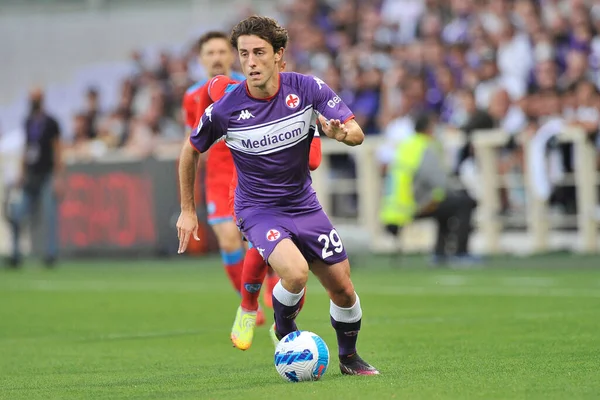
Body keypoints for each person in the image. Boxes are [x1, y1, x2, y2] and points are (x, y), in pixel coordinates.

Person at [177, 15, 379, 375]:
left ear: (279, 56)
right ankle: (283, 328)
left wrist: (339, 134)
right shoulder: (226, 108)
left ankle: (349, 358)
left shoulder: (307, 88)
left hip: (304, 205)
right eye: (244, 54)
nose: (251, 62)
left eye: (259, 52)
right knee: (295, 272)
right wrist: (187, 210)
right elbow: (190, 150)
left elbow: (356, 133)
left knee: (344, 290)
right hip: (257, 209)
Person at [181, 31, 250, 310]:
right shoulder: (192, 95)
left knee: (260, 242)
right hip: (218, 176)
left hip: (250, 173)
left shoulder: (248, 86)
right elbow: (191, 142)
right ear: (201, 59)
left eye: (222, 52)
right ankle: (247, 302)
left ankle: (266, 295)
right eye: (210, 53)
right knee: (229, 239)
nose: (217, 58)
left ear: (232, 55)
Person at [380, 112, 479, 265]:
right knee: (465, 202)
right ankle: (460, 253)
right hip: (412, 206)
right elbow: (440, 182)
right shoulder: (426, 147)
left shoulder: (407, 145)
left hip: (394, 210)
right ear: (428, 128)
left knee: (445, 203)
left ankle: (440, 253)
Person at [7, 87, 64, 268]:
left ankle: (50, 254)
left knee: (49, 216)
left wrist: (58, 176)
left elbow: (57, 150)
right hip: (30, 175)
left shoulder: (51, 122)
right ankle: (15, 253)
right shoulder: (28, 122)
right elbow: (26, 149)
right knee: (17, 214)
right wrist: (21, 173)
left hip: (46, 174)